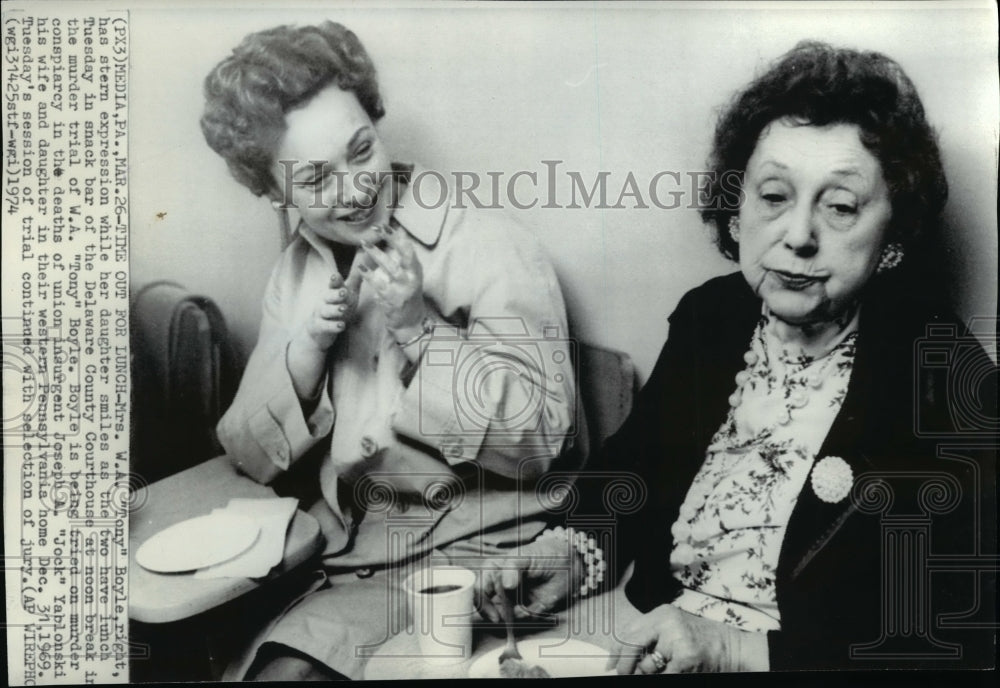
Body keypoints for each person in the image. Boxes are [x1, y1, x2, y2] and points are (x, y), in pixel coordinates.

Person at [476, 41, 997, 673]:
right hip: (650, 648)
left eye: (839, 206)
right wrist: (568, 553)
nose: (799, 236)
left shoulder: (945, 375)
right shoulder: (710, 319)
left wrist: (733, 649)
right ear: (737, 206)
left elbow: (962, 633)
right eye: (774, 196)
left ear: (895, 232)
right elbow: (634, 475)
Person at [199, 21, 578, 680]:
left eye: (362, 149)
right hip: (344, 554)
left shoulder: (489, 242)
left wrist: (419, 328)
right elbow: (249, 455)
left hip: (483, 550)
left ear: (375, 119)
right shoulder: (294, 272)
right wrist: (307, 351)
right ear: (272, 192)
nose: (356, 187)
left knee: (284, 675)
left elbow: (543, 441)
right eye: (316, 177)